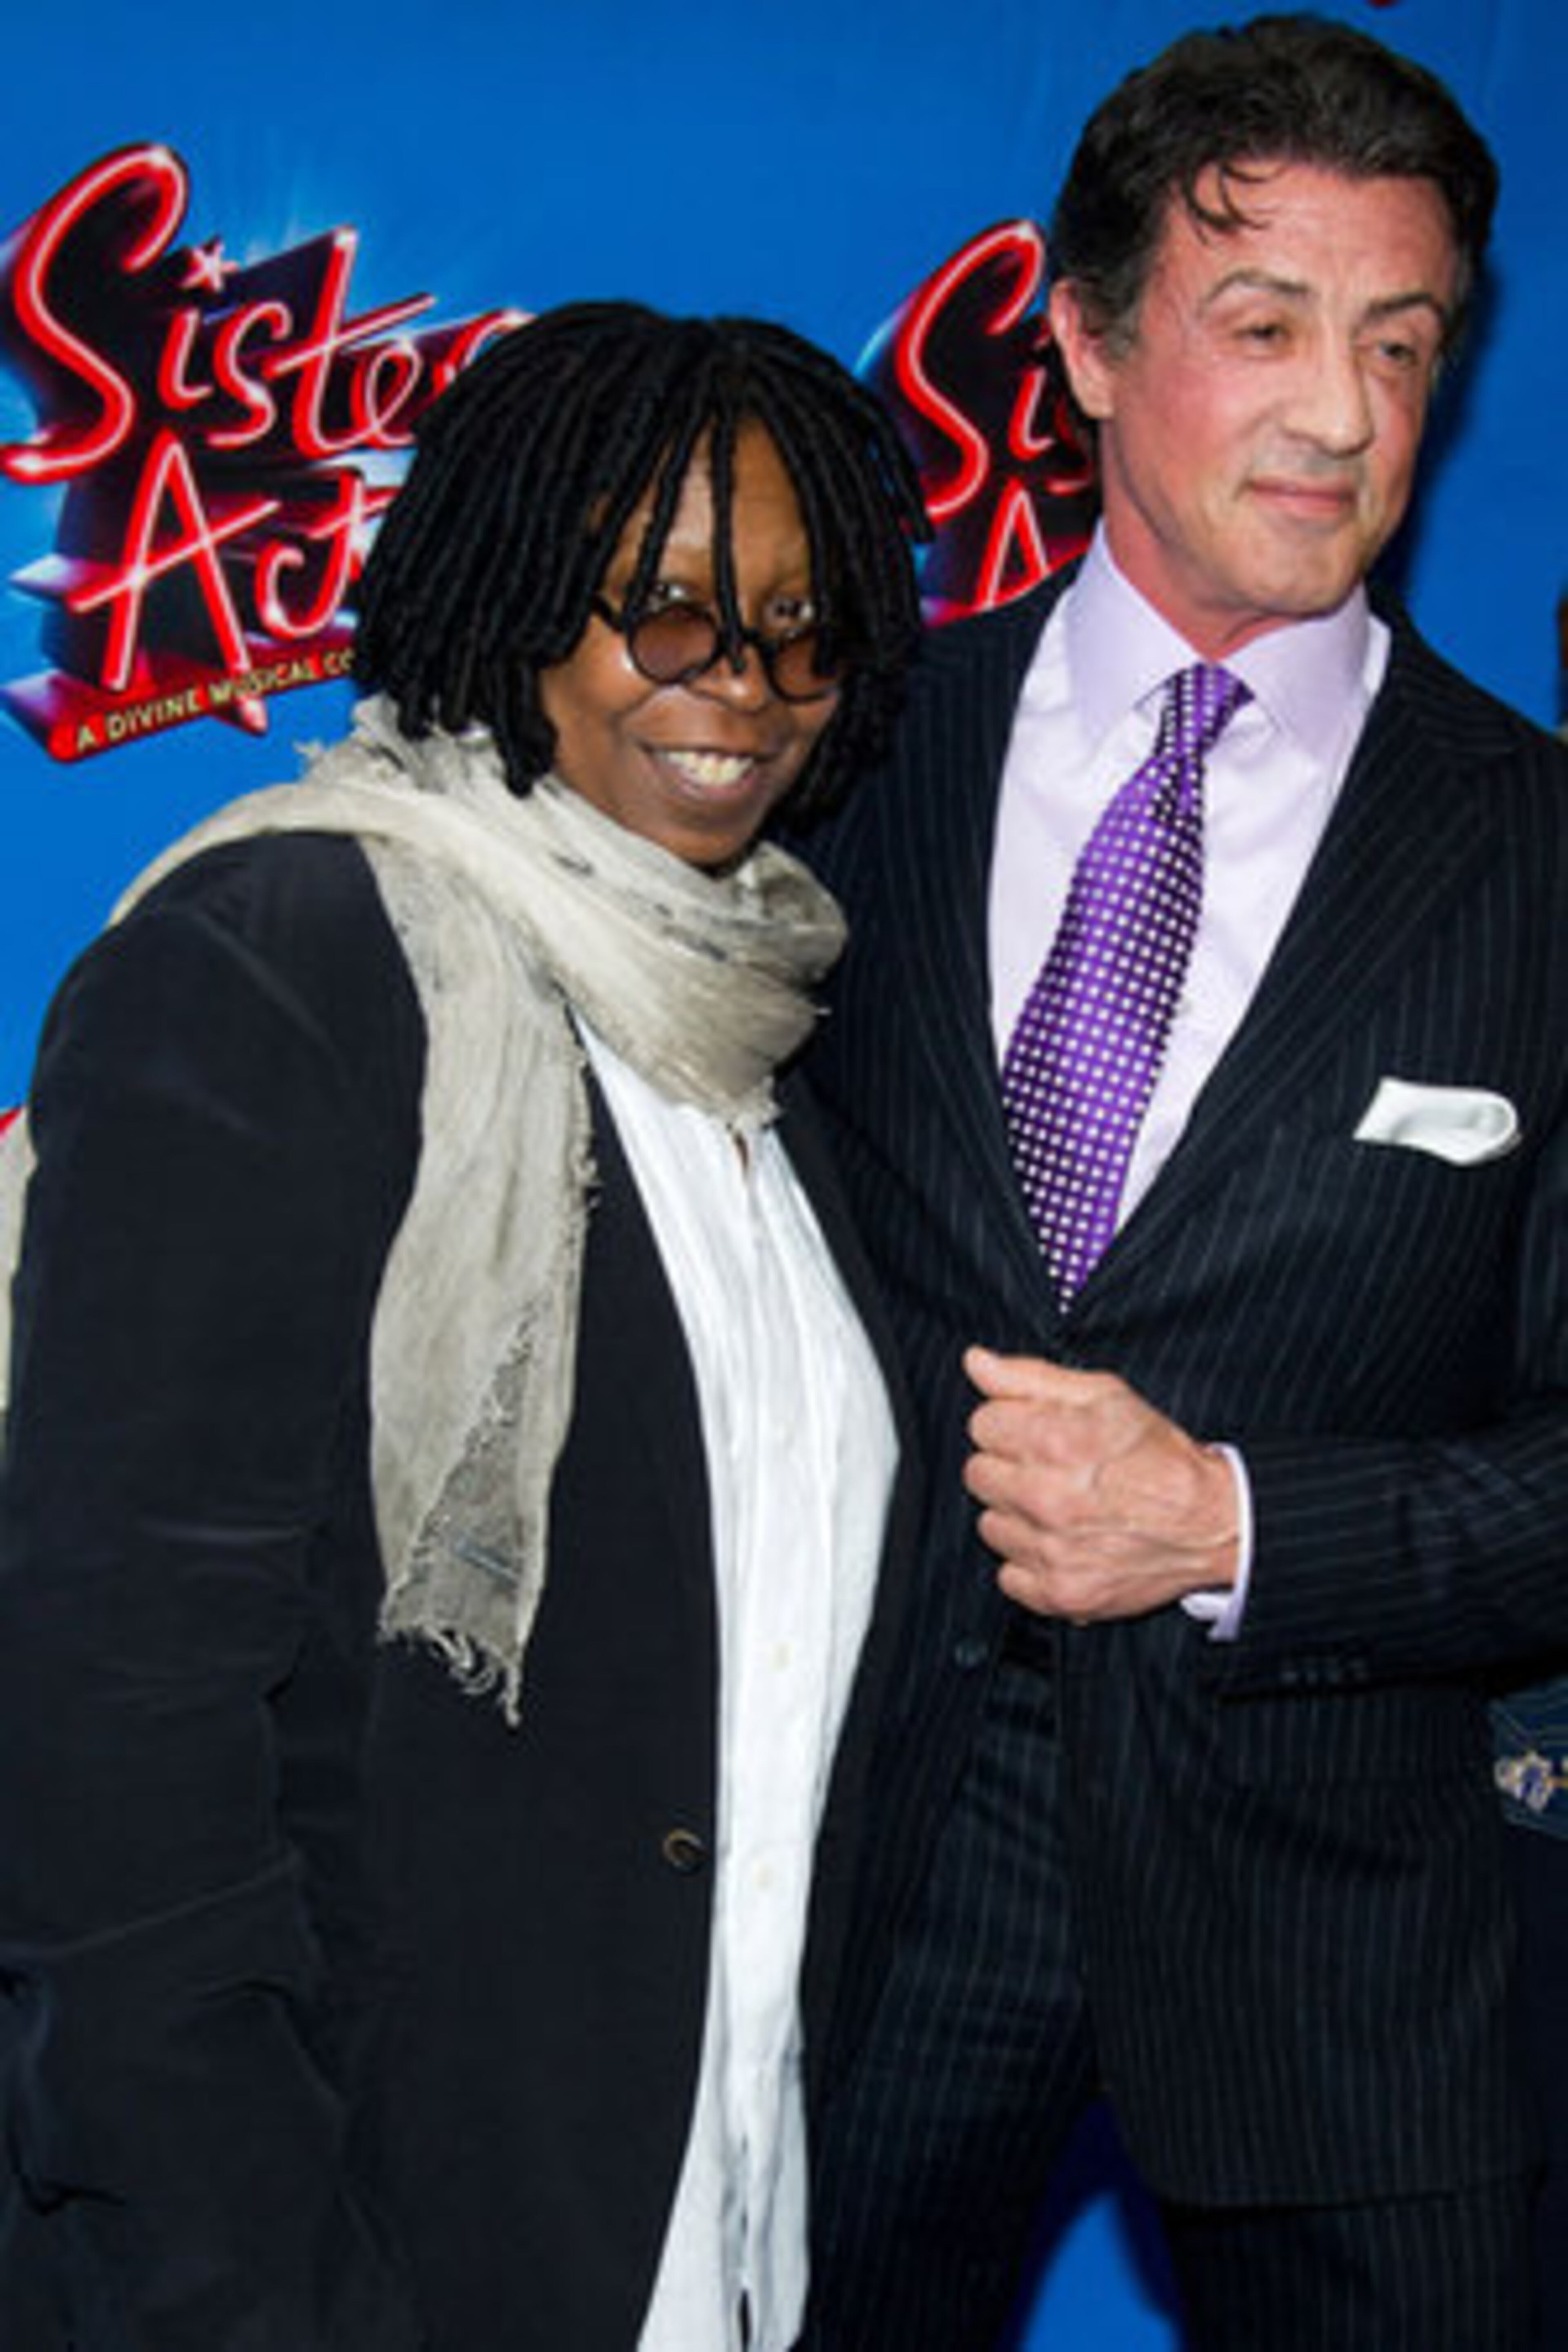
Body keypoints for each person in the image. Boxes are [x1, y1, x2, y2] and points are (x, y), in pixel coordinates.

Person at [0, 301, 928, 2351]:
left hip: (715, 2241)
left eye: (799, 623)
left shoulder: (771, 1030)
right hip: (351, 2253)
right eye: (663, 611)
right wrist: (243, 2288)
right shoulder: (285, 968)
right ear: (505, 595)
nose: (743, 688)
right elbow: (110, 1739)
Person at [792, 16, 1568, 2350]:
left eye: (1402, 343)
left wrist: (1234, 1523)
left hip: (1363, 1956)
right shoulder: (840, 759)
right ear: (1089, 340)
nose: (1343, 414)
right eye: (1265, 326)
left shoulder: (1543, 858)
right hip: (877, 1896)